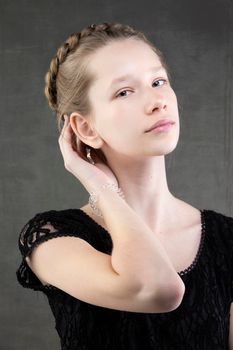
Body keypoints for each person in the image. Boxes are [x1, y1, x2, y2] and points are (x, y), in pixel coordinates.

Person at [16, 22, 233, 349]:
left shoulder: (227, 239)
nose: (158, 101)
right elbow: (156, 290)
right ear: (85, 128)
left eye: (158, 81)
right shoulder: (53, 237)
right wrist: (101, 187)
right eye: (124, 92)